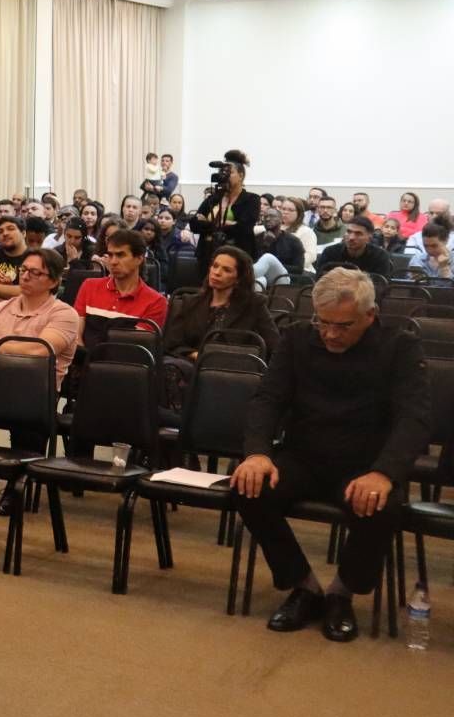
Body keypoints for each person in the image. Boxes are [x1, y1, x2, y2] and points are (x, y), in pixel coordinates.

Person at [233, 268, 432, 643]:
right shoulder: (296, 339)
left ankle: (341, 592)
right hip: (304, 456)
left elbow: (415, 417)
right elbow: (267, 400)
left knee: (382, 506)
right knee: (247, 486)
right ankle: (304, 586)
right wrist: (257, 453)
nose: (329, 334)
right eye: (322, 322)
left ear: (370, 316)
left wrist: (384, 473)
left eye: (342, 326)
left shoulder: (399, 347)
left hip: (365, 464)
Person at [0, 248, 82, 511]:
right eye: (23, 270)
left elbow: (39, 353)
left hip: (37, 390)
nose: (25, 276)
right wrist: (11, 352)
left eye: (35, 272)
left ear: (54, 280)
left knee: (26, 414)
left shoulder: (64, 314)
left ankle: (16, 483)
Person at [160, 245, 278, 362]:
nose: (217, 272)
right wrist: (196, 355)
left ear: (239, 278)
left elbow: (274, 346)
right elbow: (171, 344)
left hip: (231, 370)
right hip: (189, 365)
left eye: (226, 270)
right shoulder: (189, 302)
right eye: (215, 266)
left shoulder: (254, 305)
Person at [70, 230, 168, 347]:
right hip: (83, 360)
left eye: (120, 255)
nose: (113, 262)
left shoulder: (156, 302)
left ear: (139, 259)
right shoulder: (89, 285)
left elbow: (132, 347)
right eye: (110, 255)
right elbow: (75, 333)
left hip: (123, 362)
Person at [189, 150, 259, 275]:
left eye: (229, 173)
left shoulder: (251, 199)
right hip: (208, 254)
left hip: (237, 256)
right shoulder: (214, 197)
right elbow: (194, 224)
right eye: (222, 172)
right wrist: (227, 224)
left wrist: (208, 222)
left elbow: (244, 228)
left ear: (241, 175)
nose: (224, 176)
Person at [314, 216, 392, 278]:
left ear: (369, 237)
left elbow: (381, 286)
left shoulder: (380, 256)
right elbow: (319, 280)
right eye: (349, 232)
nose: (351, 237)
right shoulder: (330, 252)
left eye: (358, 233)